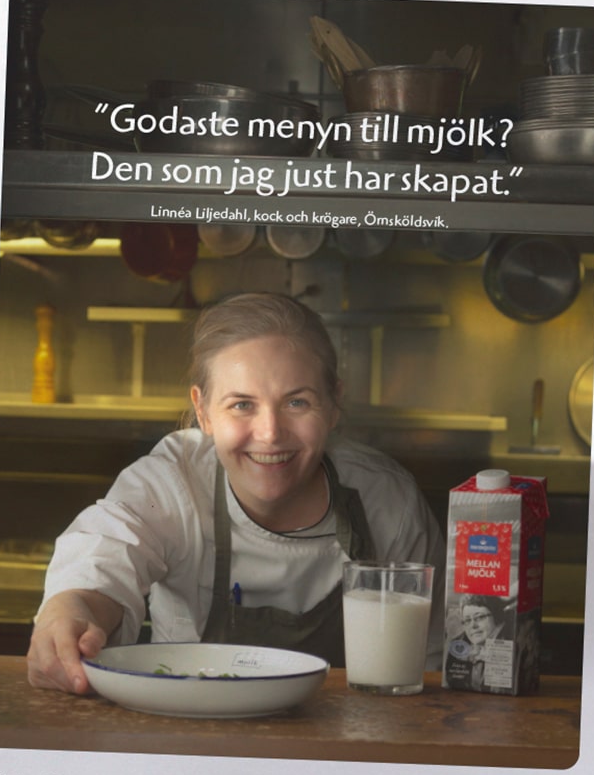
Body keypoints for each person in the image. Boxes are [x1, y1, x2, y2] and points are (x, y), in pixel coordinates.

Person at [26, 292, 443, 693]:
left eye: (297, 402)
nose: (270, 434)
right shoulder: (173, 482)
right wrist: (71, 610)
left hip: (343, 749)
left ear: (334, 402)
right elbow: (104, 555)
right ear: (203, 411)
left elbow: (430, 664)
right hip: (190, 737)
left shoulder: (388, 500)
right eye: (242, 405)